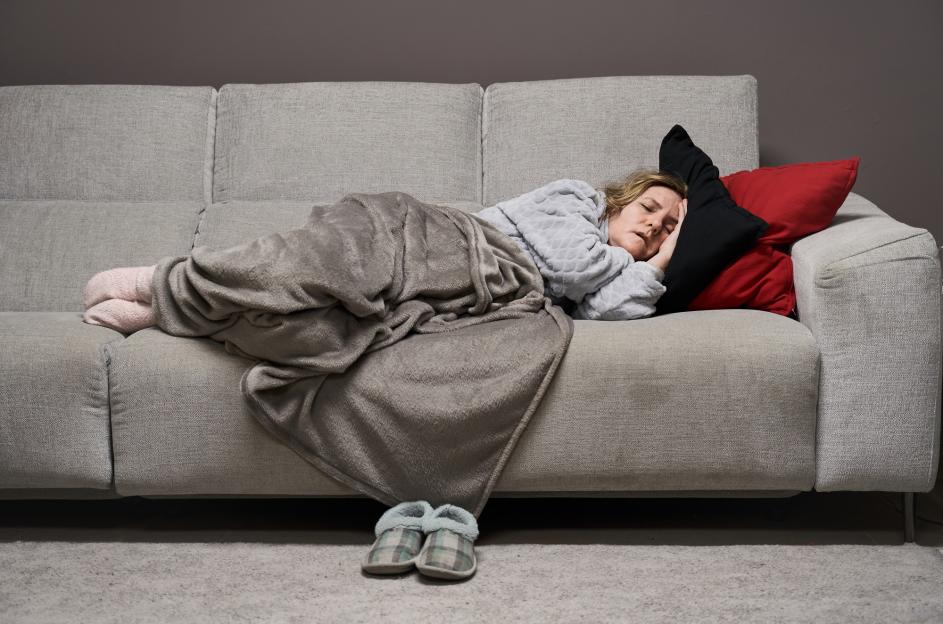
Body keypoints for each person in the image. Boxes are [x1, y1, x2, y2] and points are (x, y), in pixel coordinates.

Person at [80, 168, 687, 580]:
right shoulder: (575, 201)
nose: (653, 226)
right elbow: (574, 264)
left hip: (470, 298)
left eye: (668, 229)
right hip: (442, 239)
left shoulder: (615, 269)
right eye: (649, 209)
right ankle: (168, 281)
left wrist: (658, 260)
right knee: (330, 267)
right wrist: (632, 255)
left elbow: (615, 309)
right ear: (620, 199)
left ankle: (170, 312)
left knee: (330, 336)